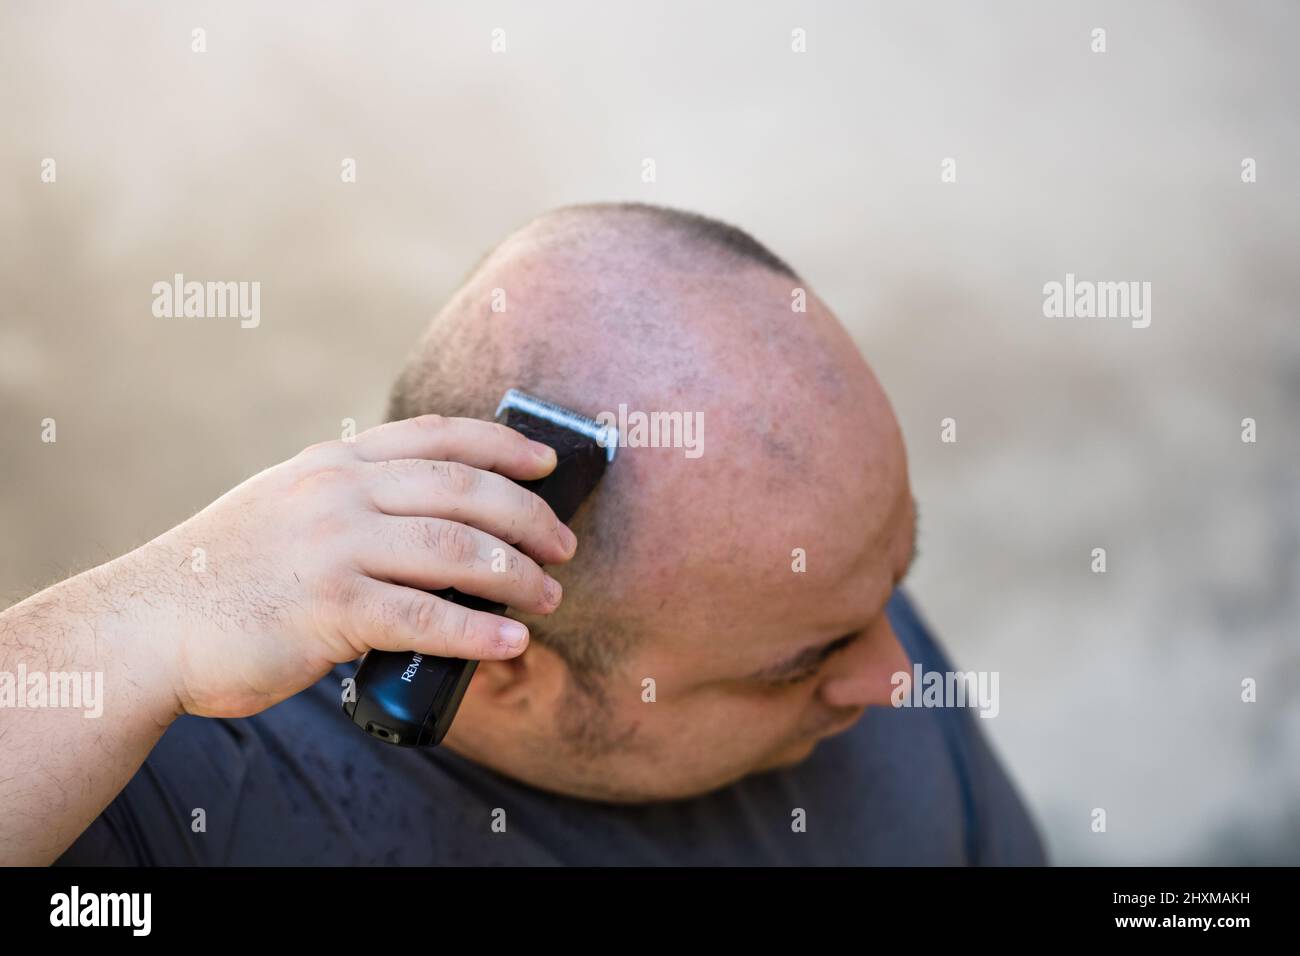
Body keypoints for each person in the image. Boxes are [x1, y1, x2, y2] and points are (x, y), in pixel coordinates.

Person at [1, 203, 1045, 865]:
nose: (898, 673)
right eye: (802, 663)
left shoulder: (820, 601)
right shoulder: (192, 800)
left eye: (893, 577)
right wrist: (134, 620)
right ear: (487, 653)